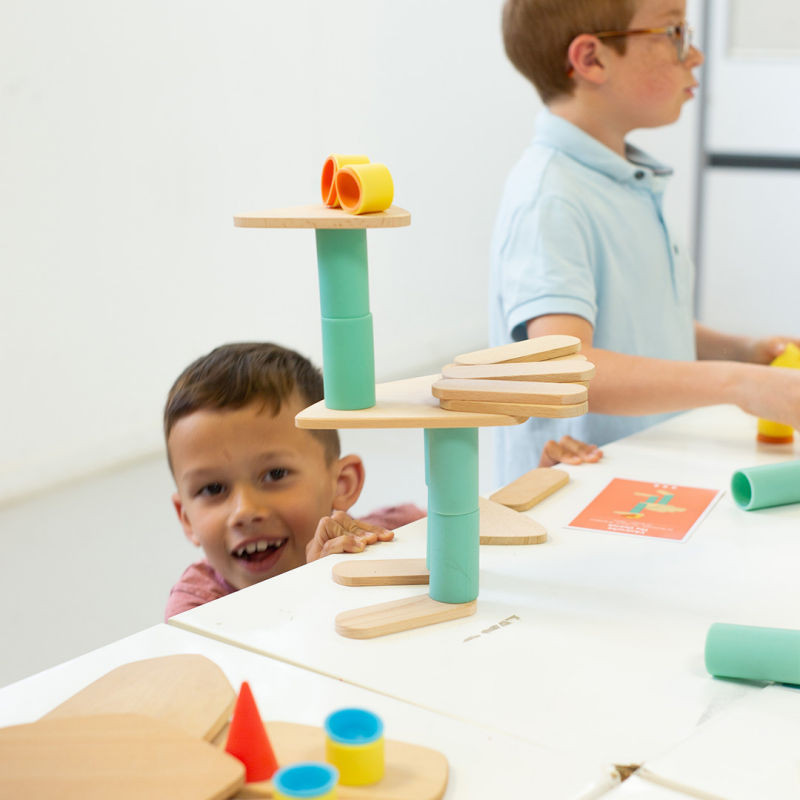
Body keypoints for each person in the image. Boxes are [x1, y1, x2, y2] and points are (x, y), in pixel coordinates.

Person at [490, 0, 800, 485]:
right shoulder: (551, 197)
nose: (695, 55)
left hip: (641, 475)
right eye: (674, 33)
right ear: (592, 59)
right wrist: (740, 384)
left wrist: (740, 350)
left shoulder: (623, 182)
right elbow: (567, 364)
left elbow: (639, 319)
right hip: (573, 495)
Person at [164, 342, 601, 618]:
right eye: (212, 490)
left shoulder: (396, 531)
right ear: (185, 517)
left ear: (343, 483)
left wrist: (550, 480)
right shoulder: (194, 610)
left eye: (274, 475)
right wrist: (316, 585)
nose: (245, 511)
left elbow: (484, 541)